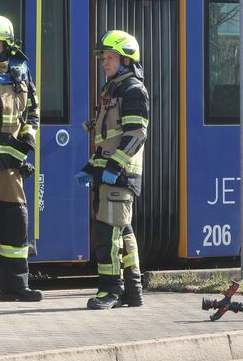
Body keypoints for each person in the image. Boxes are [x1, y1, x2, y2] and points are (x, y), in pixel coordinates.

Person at [76, 30, 150, 310]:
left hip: (119, 174)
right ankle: (133, 291)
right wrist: (90, 167)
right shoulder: (112, 90)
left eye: (110, 57)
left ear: (127, 61)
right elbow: (105, 139)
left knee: (109, 235)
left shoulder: (132, 90)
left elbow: (136, 134)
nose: (104, 63)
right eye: (104, 58)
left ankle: (111, 291)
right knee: (123, 231)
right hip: (108, 173)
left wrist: (115, 165)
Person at [0, 14, 42, 302]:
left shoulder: (21, 71)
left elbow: (33, 114)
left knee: (16, 223)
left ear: (6, 43)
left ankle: (16, 287)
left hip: (12, 165)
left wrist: (26, 141)